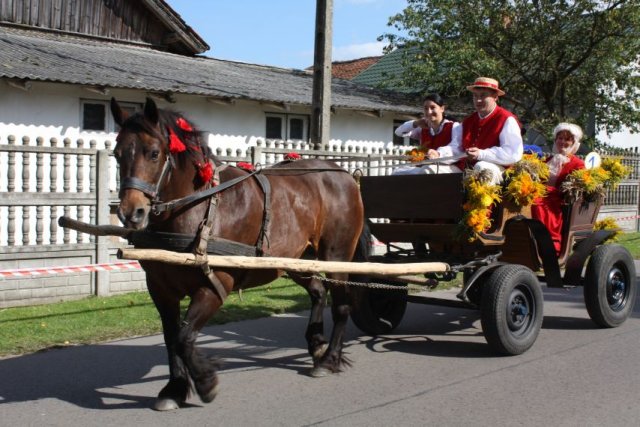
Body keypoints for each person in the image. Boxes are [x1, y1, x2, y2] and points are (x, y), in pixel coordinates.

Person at [425, 77, 523, 184]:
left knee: (482, 168)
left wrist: (481, 154)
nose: (478, 100)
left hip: (498, 169)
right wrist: (439, 154)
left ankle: (482, 195)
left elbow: (512, 153)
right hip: (467, 168)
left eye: (483, 95)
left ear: (495, 97)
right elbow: (456, 147)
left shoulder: (507, 119)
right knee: (428, 170)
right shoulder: (468, 121)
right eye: (475, 96)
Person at [531, 123, 585, 254]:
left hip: (559, 200)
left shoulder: (578, 164)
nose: (562, 142)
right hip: (540, 194)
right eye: (560, 138)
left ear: (574, 143)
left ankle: (547, 243)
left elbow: (575, 187)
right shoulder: (547, 160)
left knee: (536, 204)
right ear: (555, 140)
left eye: (567, 139)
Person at [392, 93, 458, 175]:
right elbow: (398, 132)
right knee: (397, 173)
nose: (429, 112)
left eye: (433, 107)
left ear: (442, 109)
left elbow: (456, 149)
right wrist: (416, 123)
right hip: (425, 168)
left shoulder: (454, 127)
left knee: (427, 170)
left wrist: (438, 154)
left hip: (449, 168)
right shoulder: (422, 128)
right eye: (426, 108)